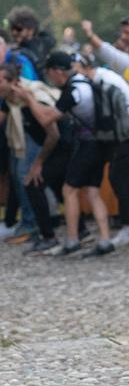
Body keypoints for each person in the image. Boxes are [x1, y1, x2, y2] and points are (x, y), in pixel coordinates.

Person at [23, 52, 118, 257]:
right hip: (101, 142)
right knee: (92, 192)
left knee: (69, 189)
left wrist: (29, 99)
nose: (50, 79)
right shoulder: (85, 82)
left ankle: (73, 240)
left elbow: (47, 119)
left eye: (49, 74)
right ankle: (104, 240)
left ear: (57, 71)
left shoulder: (74, 89)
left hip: (88, 144)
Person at [73, 53, 129, 247]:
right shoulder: (100, 79)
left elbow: (116, 113)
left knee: (120, 177)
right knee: (118, 177)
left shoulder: (105, 81)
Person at [0, 64, 67, 254]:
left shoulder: (30, 96)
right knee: (52, 186)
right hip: (50, 144)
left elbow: (51, 130)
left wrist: (38, 162)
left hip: (61, 144)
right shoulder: (12, 100)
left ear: (13, 83)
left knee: (32, 181)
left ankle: (43, 232)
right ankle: (70, 232)